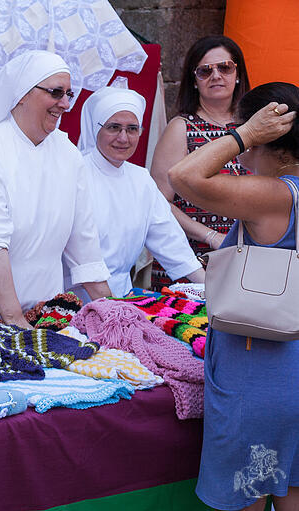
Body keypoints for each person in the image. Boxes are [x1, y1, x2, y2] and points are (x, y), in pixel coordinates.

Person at [168, 82, 299, 511]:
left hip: (262, 375)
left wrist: (244, 134)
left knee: (249, 497)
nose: (241, 153)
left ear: (269, 138)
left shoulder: (275, 195)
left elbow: (182, 177)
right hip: (289, 371)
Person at [0, 51, 111, 329]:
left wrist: (114, 314)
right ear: (23, 94)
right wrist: (15, 320)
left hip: (41, 310)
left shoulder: (68, 153)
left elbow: (84, 243)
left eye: (68, 94)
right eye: (55, 92)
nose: (65, 103)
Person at [69, 86, 204, 300]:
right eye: (114, 127)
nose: (123, 138)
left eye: (132, 129)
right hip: (74, 298)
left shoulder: (140, 179)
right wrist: (112, 310)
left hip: (122, 295)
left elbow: (169, 240)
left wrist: (210, 288)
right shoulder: (75, 176)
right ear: (96, 129)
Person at [150, 35, 251, 287]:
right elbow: (159, 203)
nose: (216, 75)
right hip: (190, 257)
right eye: (205, 71)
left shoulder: (253, 126)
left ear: (237, 74)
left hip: (246, 255)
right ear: (194, 81)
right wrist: (212, 236)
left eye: (225, 67)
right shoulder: (181, 128)